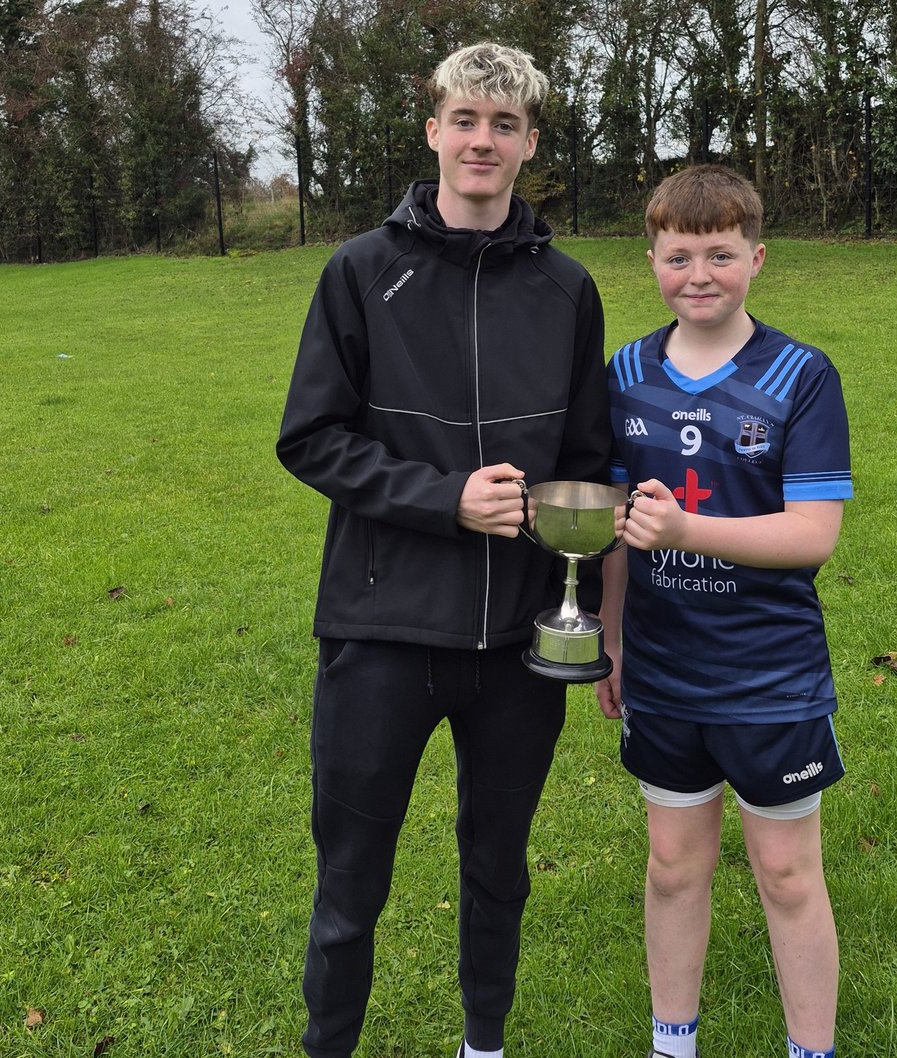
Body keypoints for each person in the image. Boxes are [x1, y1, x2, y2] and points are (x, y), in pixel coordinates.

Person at [276, 42, 611, 1058]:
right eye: (465, 119)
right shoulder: (359, 272)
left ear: (529, 146)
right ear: (434, 132)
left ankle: (484, 1042)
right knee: (351, 876)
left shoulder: (569, 288)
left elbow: (586, 459)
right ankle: (328, 1043)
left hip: (518, 640)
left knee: (498, 864)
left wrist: (588, 610)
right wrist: (441, 499)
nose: (482, 140)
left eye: (504, 126)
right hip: (380, 629)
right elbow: (310, 436)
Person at [595, 165, 852, 1058]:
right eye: (678, 256)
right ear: (652, 260)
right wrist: (614, 643)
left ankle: (809, 1049)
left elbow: (814, 534)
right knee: (672, 865)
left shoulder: (801, 376)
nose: (698, 274)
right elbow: (623, 534)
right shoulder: (624, 373)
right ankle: (674, 1043)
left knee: (785, 873)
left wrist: (687, 529)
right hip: (664, 674)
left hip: (771, 676)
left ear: (758, 258)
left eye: (720, 254)